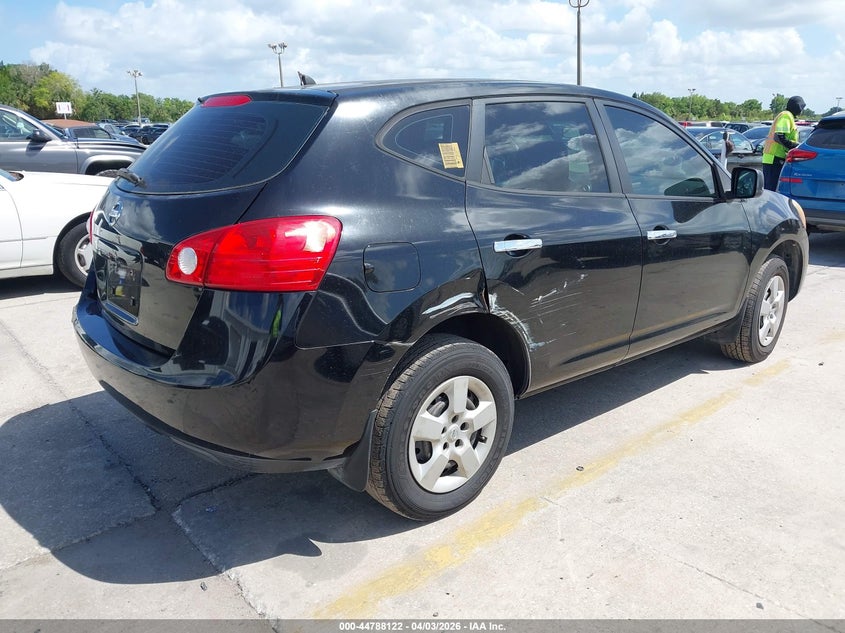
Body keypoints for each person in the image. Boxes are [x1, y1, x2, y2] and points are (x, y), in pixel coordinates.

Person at [761, 95, 805, 191]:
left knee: (773, 189)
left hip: (775, 157)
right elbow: (778, 137)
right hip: (774, 158)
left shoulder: (789, 117)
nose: (802, 111)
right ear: (797, 106)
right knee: (771, 190)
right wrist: (795, 146)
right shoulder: (786, 115)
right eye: (802, 107)